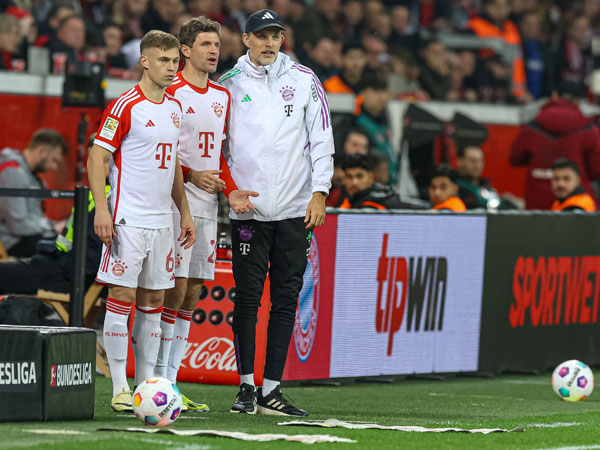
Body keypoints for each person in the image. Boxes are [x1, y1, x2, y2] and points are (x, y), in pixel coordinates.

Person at [219, 8, 334, 416]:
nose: (269, 43)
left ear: (283, 40)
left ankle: (272, 390)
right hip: (248, 211)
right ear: (245, 40)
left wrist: (320, 192)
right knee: (247, 301)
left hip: (294, 211)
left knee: (285, 300)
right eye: (261, 36)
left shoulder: (305, 80)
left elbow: (321, 138)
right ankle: (246, 388)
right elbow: (217, 149)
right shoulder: (226, 86)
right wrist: (230, 192)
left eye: (275, 36)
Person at [87, 30, 196, 413]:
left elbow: (175, 168)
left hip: (162, 222)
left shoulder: (174, 108)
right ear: (145, 61)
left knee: (154, 299)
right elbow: (96, 157)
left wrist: (183, 211)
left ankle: (145, 385)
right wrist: (102, 208)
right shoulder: (125, 105)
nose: (172, 67)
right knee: (121, 296)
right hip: (128, 219)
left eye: (174, 61)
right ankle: (118, 385)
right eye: (164, 60)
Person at [156, 16, 258, 412]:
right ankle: (158, 378)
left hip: (207, 208)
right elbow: (157, 154)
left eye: (217, 45)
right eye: (205, 44)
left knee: (193, 291)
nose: (214, 51)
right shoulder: (171, 92)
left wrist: (230, 192)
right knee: (174, 288)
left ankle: (173, 382)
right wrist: (190, 175)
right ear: (184, 50)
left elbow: (219, 153)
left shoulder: (221, 96)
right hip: (172, 204)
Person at [0, 133, 108, 295]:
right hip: (57, 261)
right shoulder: (98, 194)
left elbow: (88, 262)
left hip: (64, 271)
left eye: (103, 160)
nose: (93, 166)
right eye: (91, 160)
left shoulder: (111, 199)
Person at [510, 81, 600, 210]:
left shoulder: (532, 126)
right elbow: (597, 171)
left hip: (536, 207)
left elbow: (514, 158)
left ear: (555, 95)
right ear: (579, 101)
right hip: (575, 208)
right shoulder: (589, 130)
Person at [0, 128, 67, 257]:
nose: (54, 167)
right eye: (54, 160)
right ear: (42, 151)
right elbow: (18, 225)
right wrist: (52, 228)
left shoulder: (30, 174)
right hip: (12, 242)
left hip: (25, 236)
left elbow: (33, 217)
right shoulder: (12, 172)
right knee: (62, 252)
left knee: (67, 245)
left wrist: (53, 225)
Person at [338, 154, 415, 210]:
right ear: (343, 179)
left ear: (371, 177)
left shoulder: (379, 203)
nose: (354, 182)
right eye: (349, 177)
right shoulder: (347, 200)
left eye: (359, 176)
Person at [456, 145, 503, 209]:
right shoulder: (454, 188)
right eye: (472, 161)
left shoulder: (487, 187)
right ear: (460, 162)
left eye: (481, 161)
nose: (478, 166)